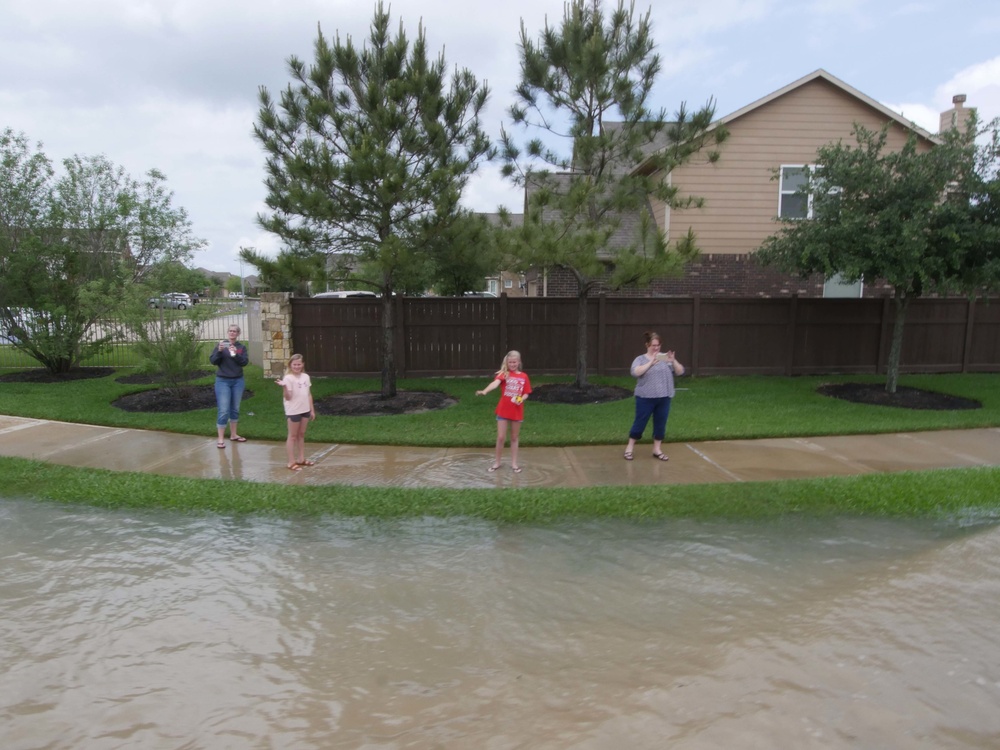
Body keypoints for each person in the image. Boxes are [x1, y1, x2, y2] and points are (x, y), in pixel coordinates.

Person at [623, 331, 685, 461]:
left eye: (658, 345)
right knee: (640, 422)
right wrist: (651, 362)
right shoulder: (640, 359)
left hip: (664, 397)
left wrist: (673, 361)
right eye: (653, 345)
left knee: (660, 423)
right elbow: (635, 372)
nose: (656, 348)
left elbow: (680, 371)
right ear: (647, 345)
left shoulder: (664, 358)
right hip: (645, 398)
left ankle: (657, 449)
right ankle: (629, 448)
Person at [476, 350, 531, 473]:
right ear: (507, 362)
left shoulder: (524, 376)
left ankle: (514, 464)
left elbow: (526, 393)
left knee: (514, 437)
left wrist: (521, 399)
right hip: (503, 410)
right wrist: (485, 391)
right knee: (501, 437)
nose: (512, 364)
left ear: (519, 362)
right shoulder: (504, 374)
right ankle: (497, 462)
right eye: (510, 362)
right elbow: (495, 384)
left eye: (514, 362)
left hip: (517, 410)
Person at [210, 324, 249, 448]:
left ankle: (233, 434)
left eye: (235, 331)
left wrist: (235, 353)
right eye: (230, 331)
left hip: (237, 381)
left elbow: (244, 362)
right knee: (223, 410)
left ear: (238, 334)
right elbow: (213, 361)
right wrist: (220, 351)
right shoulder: (221, 345)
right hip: (223, 381)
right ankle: (220, 438)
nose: (232, 333)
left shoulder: (241, 347)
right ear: (228, 333)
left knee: (235, 408)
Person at [275, 353, 316, 471]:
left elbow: (308, 394)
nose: (297, 366)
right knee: (292, 436)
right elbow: (288, 397)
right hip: (294, 411)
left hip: (305, 410)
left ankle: (301, 459)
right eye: (294, 364)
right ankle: (291, 462)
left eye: (299, 364)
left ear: (302, 365)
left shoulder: (306, 377)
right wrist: (284, 387)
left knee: (301, 435)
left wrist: (311, 410)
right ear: (290, 365)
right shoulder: (288, 378)